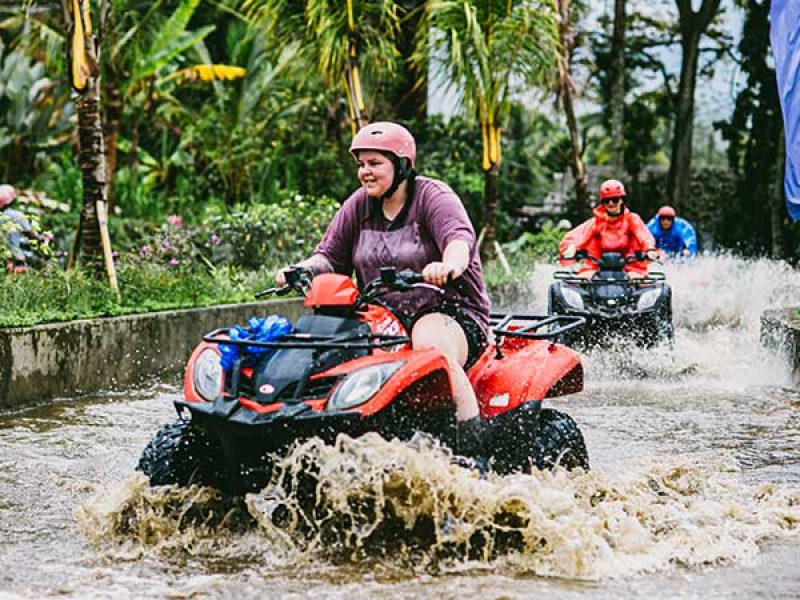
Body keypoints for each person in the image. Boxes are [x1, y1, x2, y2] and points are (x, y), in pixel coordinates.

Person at [276, 122, 490, 457]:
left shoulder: (434, 198)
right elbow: (329, 256)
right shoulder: (360, 205)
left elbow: (459, 241)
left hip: (448, 312)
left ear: (402, 165)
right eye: (361, 164)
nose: (365, 172)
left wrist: (448, 266)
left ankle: (470, 450)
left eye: (375, 163)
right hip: (382, 319)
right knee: (319, 352)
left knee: (431, 348)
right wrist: (302, 269)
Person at [559, 179, 658, 277]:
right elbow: (578, 237)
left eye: (615, 200)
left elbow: (644, 236)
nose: (610, 203)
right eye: (606, 200)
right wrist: (571, 248)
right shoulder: (596, 221)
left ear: (622, 200)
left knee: (638, 280)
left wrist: (650, 250)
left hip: (630, 266)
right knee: (582, 280)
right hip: (597, 266)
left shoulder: (632, 219)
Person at [0, 184, 34, 273]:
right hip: (14, 257)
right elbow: (30, 235)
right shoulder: (18, 216)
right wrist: (41, 239)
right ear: (12, 201)